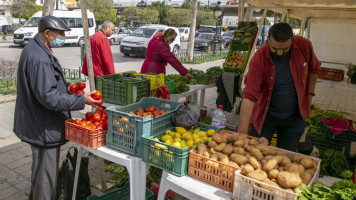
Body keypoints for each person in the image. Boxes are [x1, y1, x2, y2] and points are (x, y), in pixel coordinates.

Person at [13, 16, 100, 200]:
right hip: (43, 127)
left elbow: (47, 85)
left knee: (40, 173)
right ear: (46, 33)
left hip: (38, 124)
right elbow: (49, 98)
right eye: (59, 33)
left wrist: (67, 87)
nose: (63, 37)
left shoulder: (37, 48)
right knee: (46, 177)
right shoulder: (38, 57)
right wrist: (80, 100)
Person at [237, 22, 321, 152]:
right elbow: (249, 95)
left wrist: (310, 95)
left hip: (295, 117)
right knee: (257, 153)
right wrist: (242, 131)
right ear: (268, 40)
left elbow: (314, 68)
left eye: (285, 48)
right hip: (265, 116)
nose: (280, 52)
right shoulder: (259, 57)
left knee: (286, 157)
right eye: (275, 48)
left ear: (292, 40)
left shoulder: (304, 45)